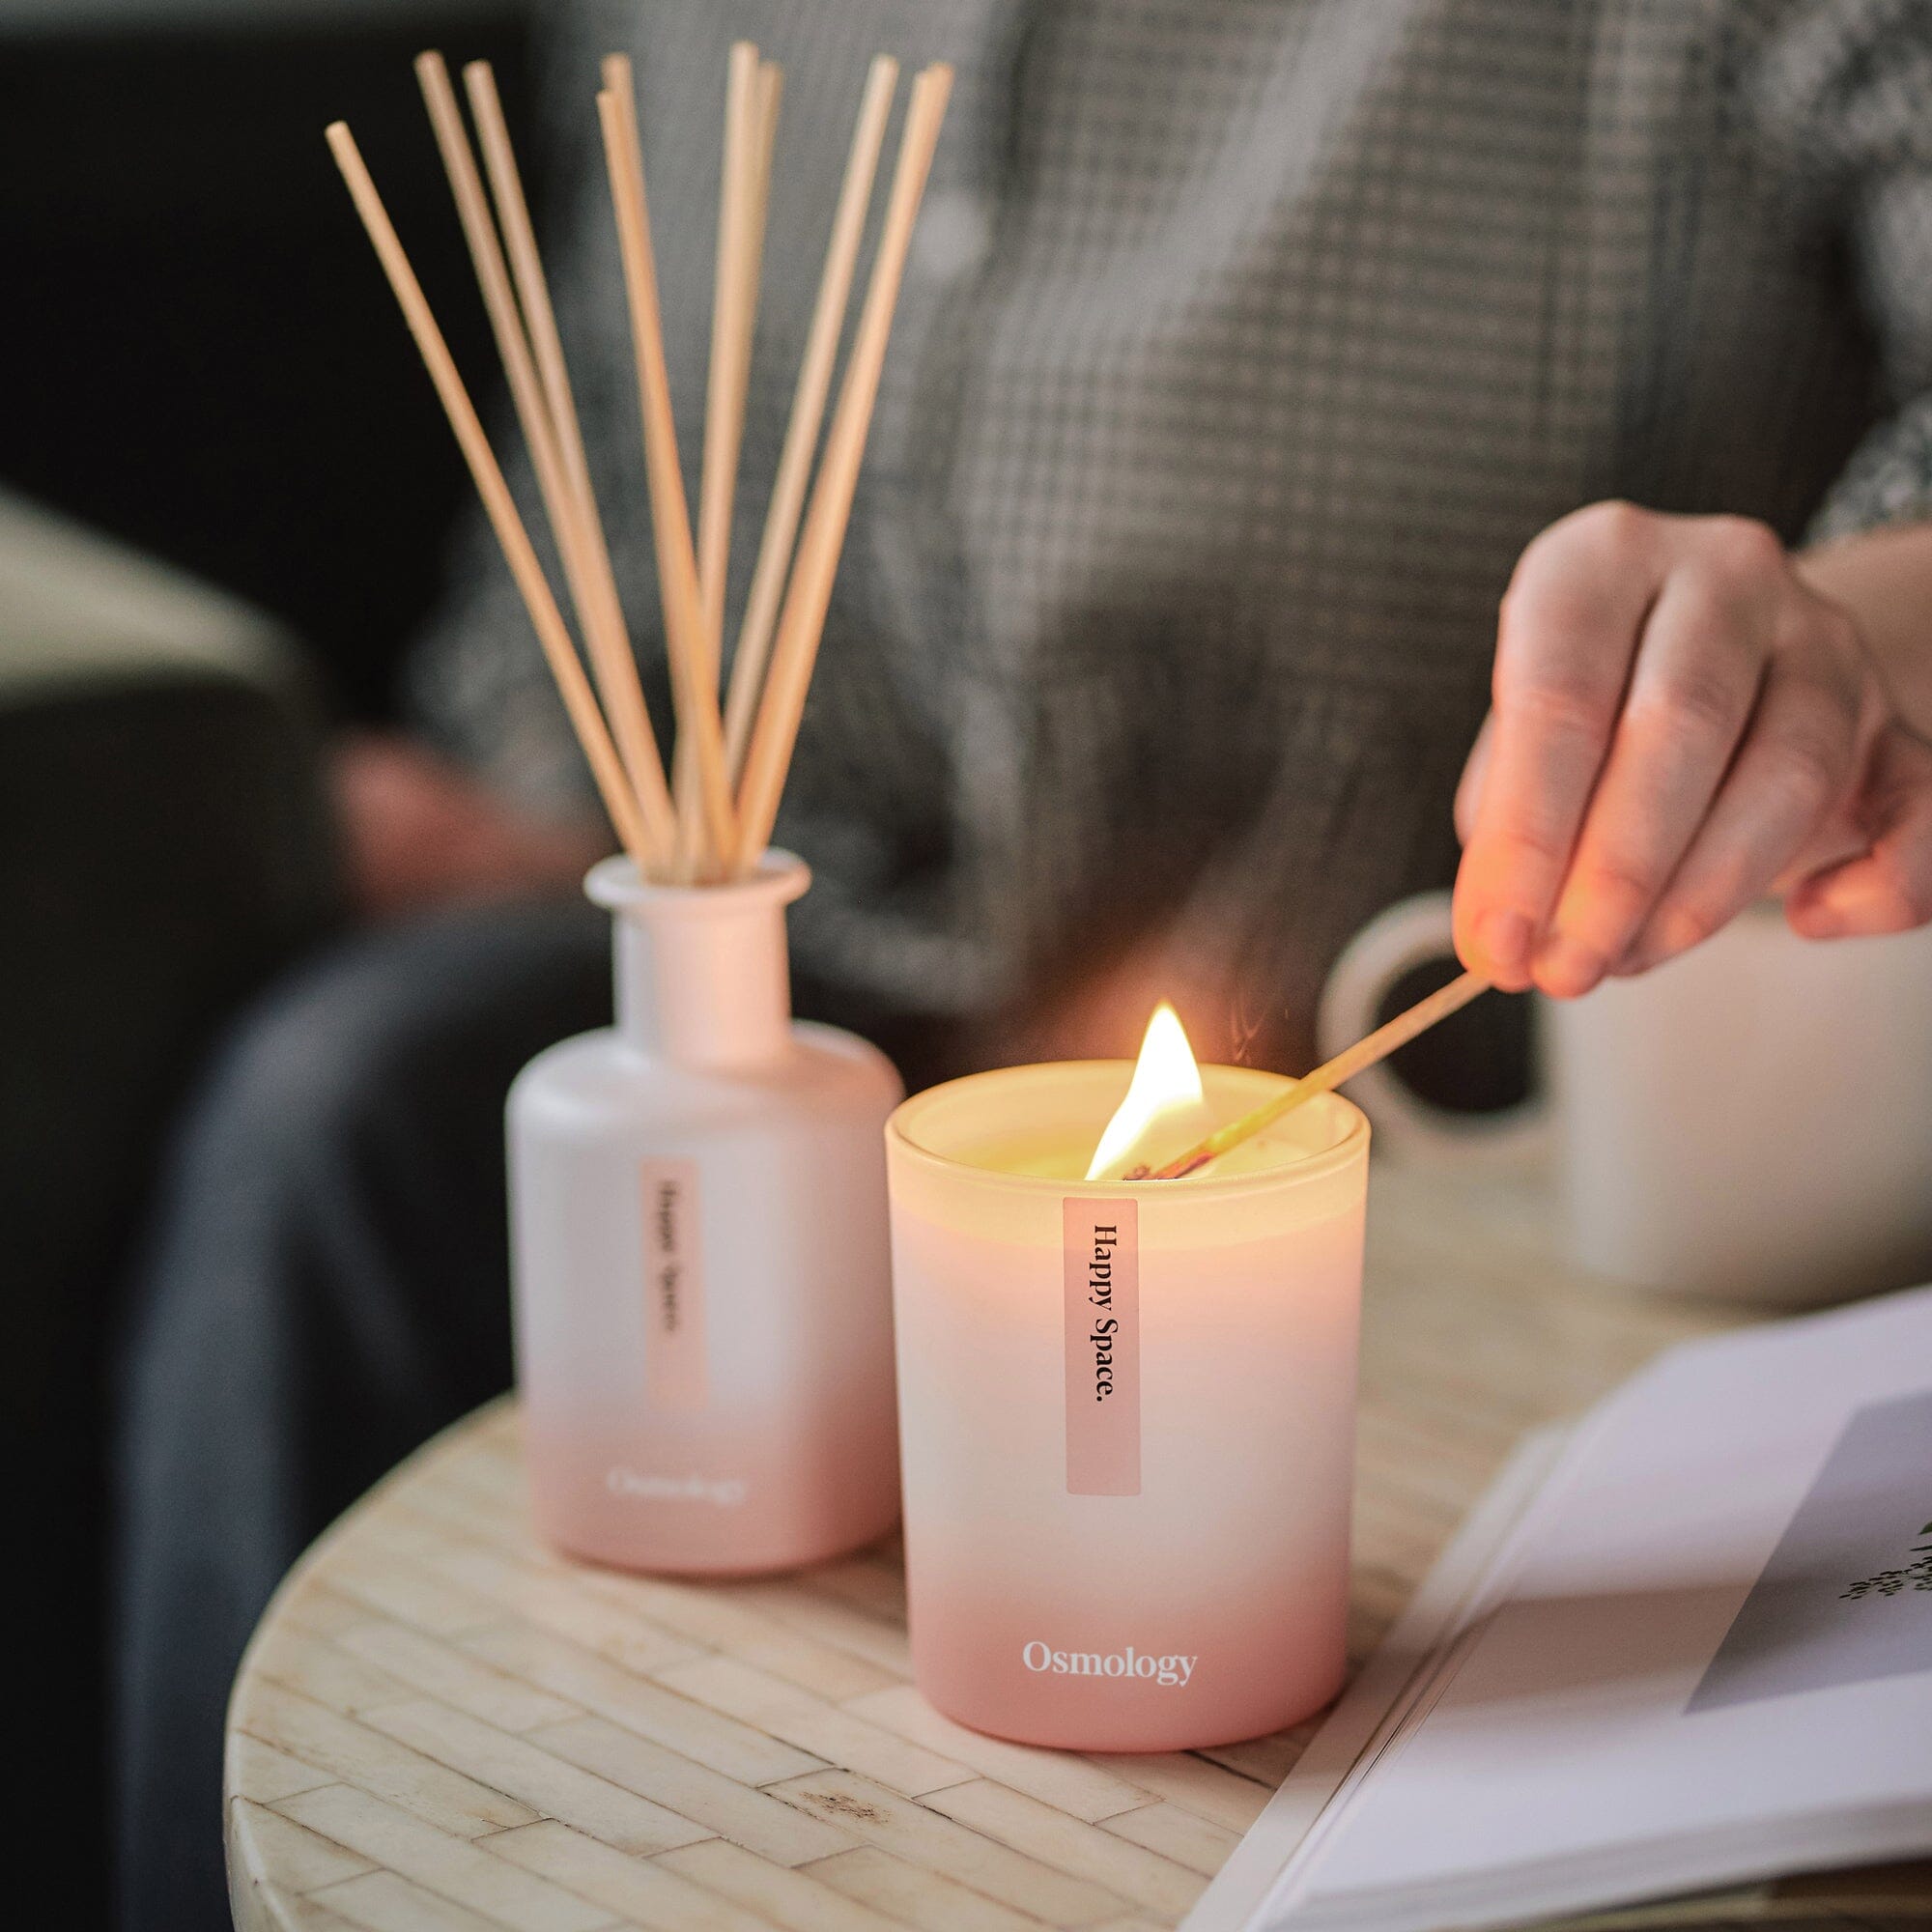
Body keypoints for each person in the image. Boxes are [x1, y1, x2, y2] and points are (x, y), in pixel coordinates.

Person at [115, 1, 1932, 1926]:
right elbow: (622, 454)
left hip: (1404, 994)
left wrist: (1842, 633)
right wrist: (536, 796)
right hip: (807, 907)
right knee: (339, 1105)